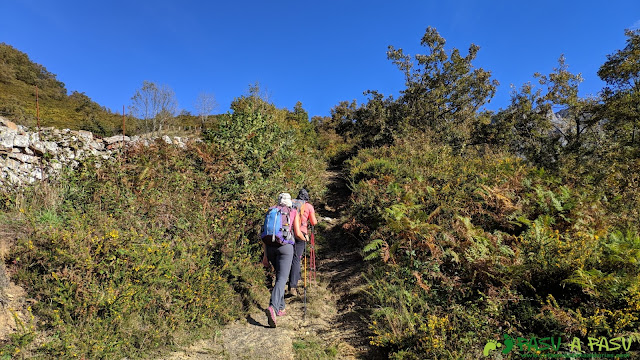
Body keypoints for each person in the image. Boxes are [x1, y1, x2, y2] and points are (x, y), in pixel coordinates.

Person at [263, 193, 304, 328]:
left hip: (270, 247)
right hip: (285, 248)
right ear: (289, 202)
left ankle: (281, 308)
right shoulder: (293, 212)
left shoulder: (271, 211)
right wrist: (305, 239)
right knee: (281, 279)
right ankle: (273, 307)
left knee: (278, 276)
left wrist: (265, 255)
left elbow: (264, 234)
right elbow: (297, 233)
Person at [288, 188, 318, 297]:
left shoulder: (291, 202)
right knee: (296, 259)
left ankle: (285, 282)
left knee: (288, 258)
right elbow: (314, 222)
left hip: (288, 233)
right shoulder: (308, 206)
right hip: (301, 234)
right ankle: (293, 286)